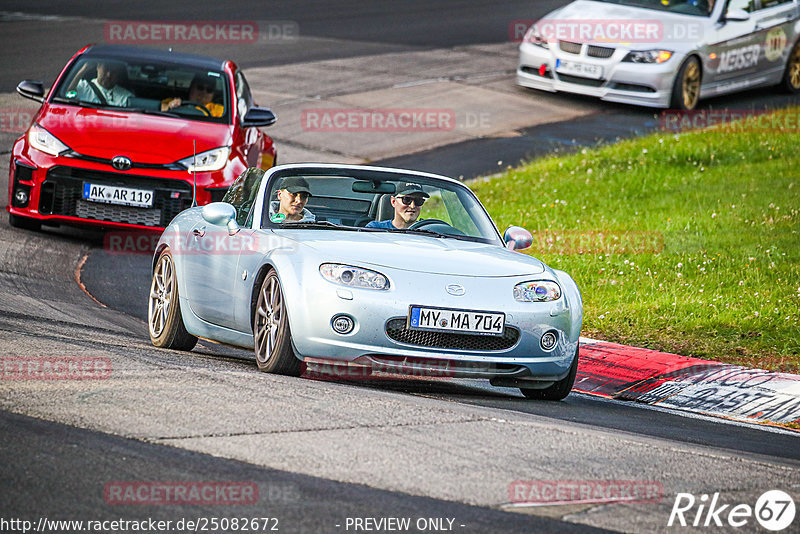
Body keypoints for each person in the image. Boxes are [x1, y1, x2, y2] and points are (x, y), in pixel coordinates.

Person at [67, 60, 133, 106]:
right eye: (106, 68)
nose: (109, 75)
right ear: (98, 67)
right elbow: (65, 92)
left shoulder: (126, 97)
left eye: (114, 71)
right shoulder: (83, 86)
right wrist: (84, 69)